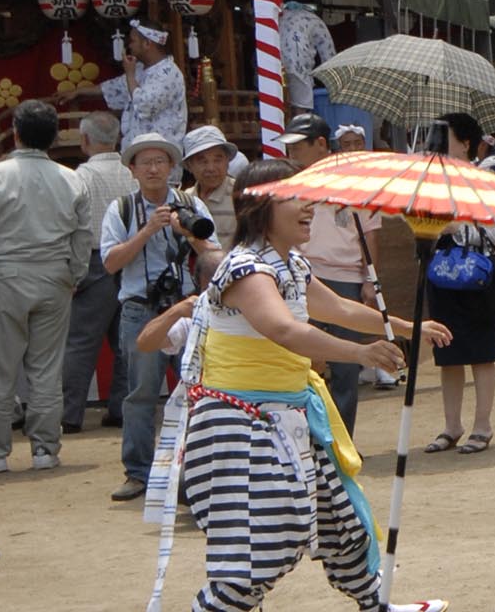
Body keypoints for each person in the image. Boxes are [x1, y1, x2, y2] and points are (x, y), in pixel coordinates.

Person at [156, 156, 449, 612]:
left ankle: (378, 604)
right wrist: (358, 352)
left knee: (343, 525)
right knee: (263, 546)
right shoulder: (244, 267)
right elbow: (284, 330)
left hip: (286, 417)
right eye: (296, 196)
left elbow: (341, 309)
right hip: (238, 427)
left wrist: (410, 327)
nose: (310, 206)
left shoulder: (290, 263)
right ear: (260, 207)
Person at [101, 131, 215, 501]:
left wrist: (187, 231)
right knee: (141, 393)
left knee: (198, 388)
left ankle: (195, 470)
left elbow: (214, 253)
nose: (153, 168)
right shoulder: (120, 209)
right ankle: (138, 473)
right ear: (132, 169)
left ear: (172, 166)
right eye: (145, 162)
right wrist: (148, 229)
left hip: (186, 303)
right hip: (139, 307)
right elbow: (110, 262)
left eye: (160, 161)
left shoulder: (190, 204)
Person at [0, 100, 90, 476]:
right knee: (46, 370)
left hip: (4, 276)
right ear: (53, 137)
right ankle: (45, 450)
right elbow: (82, 238)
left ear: (16, 133)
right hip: (54, 276)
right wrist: (74, 275)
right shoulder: (72, 178)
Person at [281, 112, 381, 434]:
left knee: (345, 368)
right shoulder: (291, 182)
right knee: (300, 361)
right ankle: (310, 439)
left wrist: (368, 279)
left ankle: (341, 441)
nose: (292, 153)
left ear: (320, 144)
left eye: (298, 146)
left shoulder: (354, 180)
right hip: (303, 274)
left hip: (346, 276)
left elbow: (371, 233)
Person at [428, 113, 495, 450]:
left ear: (465, 143)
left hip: (477, 275)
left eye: (444, 136)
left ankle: (482, 424)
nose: (437, 142)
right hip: (441, 275)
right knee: (447, 352)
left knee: (481, 352)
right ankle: (451, 425)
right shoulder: (432, 182)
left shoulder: (485, 180)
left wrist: (455, 227)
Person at [61, 111, 135, 434]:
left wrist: (72, 271)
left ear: (86, 140)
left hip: (93, 259)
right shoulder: (131, 174)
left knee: (80, 342)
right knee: (125, 342)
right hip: (130, 257)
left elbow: (73, 227)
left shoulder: (80, 177)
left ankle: (69, 413)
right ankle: (120, 407)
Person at [100, 19, 188, 145]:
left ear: (147, 43)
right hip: (137, 150)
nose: (129, 46)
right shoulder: (140, 69)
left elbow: (144, 106)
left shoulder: (168, 73)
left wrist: (130, 75)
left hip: (160, 152)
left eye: (133, 41)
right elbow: (115, 88)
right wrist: (78, 92)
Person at [279, 0, 337, 114]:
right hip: (299, 63)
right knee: (300, 106)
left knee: (280, 104)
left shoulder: (280, 17)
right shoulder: (315, 21)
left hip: (275, 63)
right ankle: (300, 126)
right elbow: (329, 56)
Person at [182, 125, 239, 240]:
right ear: (189, 166)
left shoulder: (240, 195)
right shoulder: (185, 199)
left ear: (227, 162)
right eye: (203, 161)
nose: (211, 168)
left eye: (218, 160)